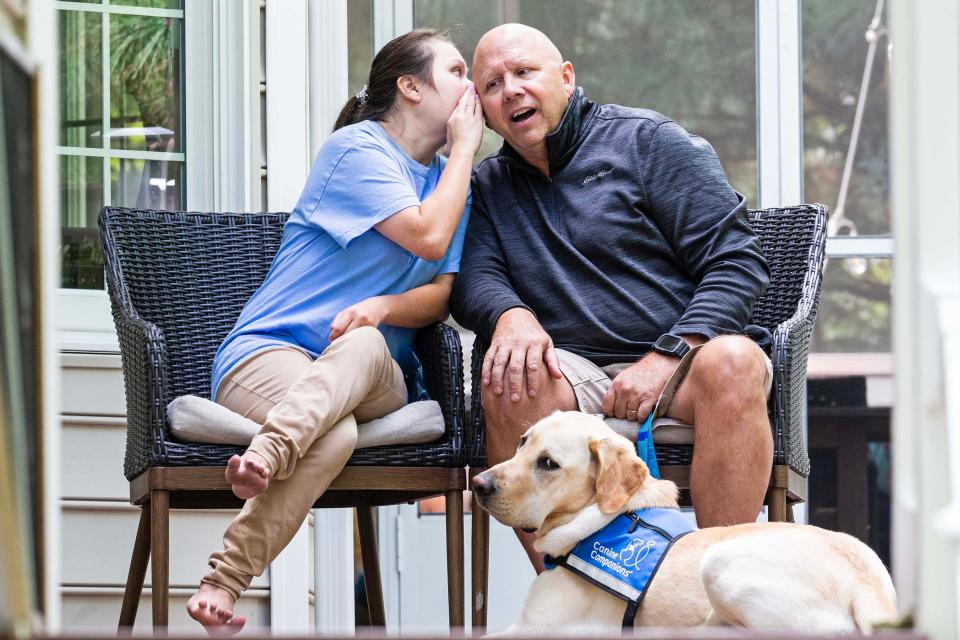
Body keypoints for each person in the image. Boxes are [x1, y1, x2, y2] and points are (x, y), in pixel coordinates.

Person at [186, 29, 482, 632]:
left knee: (366, 342)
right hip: (267, 355)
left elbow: (442, 295)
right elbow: (425, 235)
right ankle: (225, 579)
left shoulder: (453, 182)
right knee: (335, 434)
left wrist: (381, 308)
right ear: (410, 86)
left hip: (377, 374)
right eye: (456, 71)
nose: (472, 86)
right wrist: (467, 152)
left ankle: (265, 453)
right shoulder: (358, 150)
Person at [451, 24, 774, 572]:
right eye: (492, 84)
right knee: (506, 371)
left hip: (679, 359)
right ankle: (571, 589)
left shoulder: (647, 142)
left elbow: (738, 259)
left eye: (525, 72)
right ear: (480, 106)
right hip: (572, 369)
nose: (511, 90)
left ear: (567, 77)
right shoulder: (485, 186)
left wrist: (669, 353)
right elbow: (472, 277)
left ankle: (716, 587)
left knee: (737, 361)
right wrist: (511, 316)